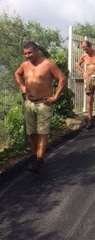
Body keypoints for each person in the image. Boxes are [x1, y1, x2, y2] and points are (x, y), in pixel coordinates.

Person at [14, 41, 67, 173]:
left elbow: (62, 78)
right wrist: (22, 87)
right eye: (25, 53)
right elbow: (17, 74)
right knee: (31, 133)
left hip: (44, 103)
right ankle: (37, 154)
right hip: (29, 103)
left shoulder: (47, 64)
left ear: (36, 51)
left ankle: (39, 160)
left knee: (42, 132)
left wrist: (55, 97)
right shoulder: (24, 65)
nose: (27, 55)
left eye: (30, 52)